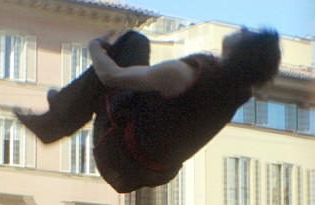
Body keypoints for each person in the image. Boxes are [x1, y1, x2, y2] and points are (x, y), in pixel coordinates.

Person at [15, 28, 280, 193]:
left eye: (249, 34)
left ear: (244, 52)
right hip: (146, 170)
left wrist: (94, 48)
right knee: (134, 50)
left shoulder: (184, 75)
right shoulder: (237, 91)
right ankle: (62, 106)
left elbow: (110, 75)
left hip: (116, 150)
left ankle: (54, 119)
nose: (243, 28)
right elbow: (261, 80)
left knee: (131, 42)